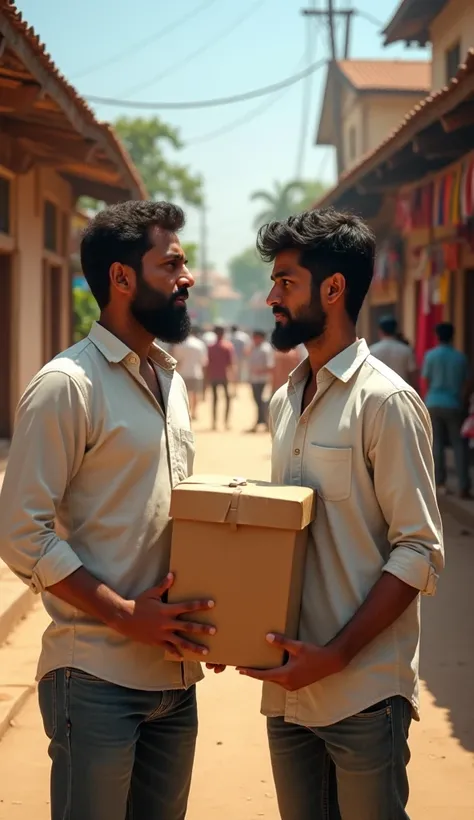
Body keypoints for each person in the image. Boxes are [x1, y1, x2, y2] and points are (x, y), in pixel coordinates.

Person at [210, 208, 444, 819]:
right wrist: (235, 623)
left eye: (285, 282)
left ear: (333, 289)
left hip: (362, 694)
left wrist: (336, 656)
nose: (270, 298)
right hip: (286, 691)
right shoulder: (287, 398)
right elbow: (284, 537)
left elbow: (418, 550)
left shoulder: (386, 402)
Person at [0, 201, 217, 820]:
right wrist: (124, 614)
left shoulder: (168, 379)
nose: (187, 276)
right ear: (122, 278)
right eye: (170, 262)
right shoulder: (68, 385)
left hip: (175, 680)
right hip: (94, 679)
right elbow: (20, 531)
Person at [422, 322, 471, 498]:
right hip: (454, 404)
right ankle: (463, 486)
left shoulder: (430, 356)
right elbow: (467, 383)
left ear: (437, 336)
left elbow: (426, 380)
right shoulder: (460, 358)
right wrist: (462, 400)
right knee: (459, 445)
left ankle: (439, 483)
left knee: (437, 444)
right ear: (453, 336)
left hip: (433, 402)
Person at [370, 315, 418, 386]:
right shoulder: (406, 350)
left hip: (379, 390)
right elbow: (412, 374)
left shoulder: (372, 350)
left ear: (380, 331)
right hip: (401, 390)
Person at [173, 326, 208, 420]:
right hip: (196, 372)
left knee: (182, 395)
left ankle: (185, 412)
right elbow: (204, 361)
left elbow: (175, 360)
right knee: (195, 394)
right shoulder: (200, 344)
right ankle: (194, 413)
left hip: (181, 373)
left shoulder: (179, 344)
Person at [207, 326, 235, 430]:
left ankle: (214, 423)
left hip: (214, 375)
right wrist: (233, 379)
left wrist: (206, 379)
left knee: (215, 400)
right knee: (227, 399)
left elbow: (208, 364)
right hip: (224, 376)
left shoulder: (210, 347)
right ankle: (226, 422)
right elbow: (231, 364)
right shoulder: (228, 346)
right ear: (223, 333)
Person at [247, 330, 274, 432]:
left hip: (263, 380)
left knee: (262, 402)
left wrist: (260, 371)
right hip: (254, 379)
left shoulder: (266, 349)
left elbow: (270, 366)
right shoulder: (254, 348)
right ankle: (260, 421)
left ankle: (265, 422)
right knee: (257, 402)